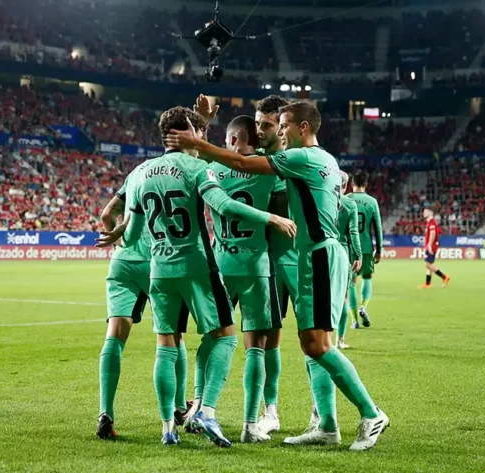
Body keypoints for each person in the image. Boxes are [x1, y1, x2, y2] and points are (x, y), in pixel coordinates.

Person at [166, 101, 389, 451]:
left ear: (303, 127)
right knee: (312, 344)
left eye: (282, 125)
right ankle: (326, 425)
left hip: (316, 254)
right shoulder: (326, 160)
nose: (279, 132)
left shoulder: (301, 158)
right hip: (312, 255)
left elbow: (241, 162)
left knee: (316, 344)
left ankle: (371, 413)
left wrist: (198, 142)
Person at [118, 106, 296, 447]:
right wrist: (272, 219)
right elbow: (229, 203)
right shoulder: (246, 169)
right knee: (247, 344)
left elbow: (132, 235)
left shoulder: (147, 172)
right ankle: (242, 421)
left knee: (174, 345)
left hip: (176, 267)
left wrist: (119, 232)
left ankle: (175, 422)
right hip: (241, 266)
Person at [93, 159, 190, 440]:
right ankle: (179, 408)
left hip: (123, 262)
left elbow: (106, 215)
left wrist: (118, 243)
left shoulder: (136, 173)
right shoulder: (175, 172)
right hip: (158, 261)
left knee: (115, 336)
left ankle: (105, 414)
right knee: (173, 336)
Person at [207, 114, 284, 443]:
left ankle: (203, 409)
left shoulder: (213, 169)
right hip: (256, 266)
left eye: (226, 139)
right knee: (257, 347)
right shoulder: (269, 170)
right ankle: (251, 424)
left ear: (234, 139)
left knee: (215, 340)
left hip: (221, 266)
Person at [253, 95, 291, 435]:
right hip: (256, 262)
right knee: (261, 338)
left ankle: (318, 414)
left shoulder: (296, 162)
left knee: (314, 340)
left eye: (266, 124)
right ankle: (269, 410)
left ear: (282, 127)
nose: (259, 130)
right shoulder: (252, 160)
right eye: (257, 123)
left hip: (292, 262)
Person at [345, 173, 383, 329]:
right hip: (366, 247)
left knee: (351, 283)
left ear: (351, 184)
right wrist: (379, 250)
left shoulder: (345, 199)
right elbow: (378, 228)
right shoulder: (372, 202)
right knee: (367, 277)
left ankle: (354, 320)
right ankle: (363, 306)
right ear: (366, 185)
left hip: (349, 247)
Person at [336, 172, 362, 349]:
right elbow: (353, 232)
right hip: (341, 252)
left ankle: (321, 339)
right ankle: (340, 340)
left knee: (322, 297)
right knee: (343, 297)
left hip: (319, 250)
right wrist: (358, 255)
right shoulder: (349, 204)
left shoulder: (320, 199)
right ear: (345, 186)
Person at [419, 206, 451, 288]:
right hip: (431, 245)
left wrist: (429, 245)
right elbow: (435, 232)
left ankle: (444, 277)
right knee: (429, 264)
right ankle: (427, 284)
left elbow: (433, 233)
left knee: (428, 265)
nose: (423, 213)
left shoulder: (432, 222)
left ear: (430, 213)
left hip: (432, 246)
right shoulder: (430, 222)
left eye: (425, 211)